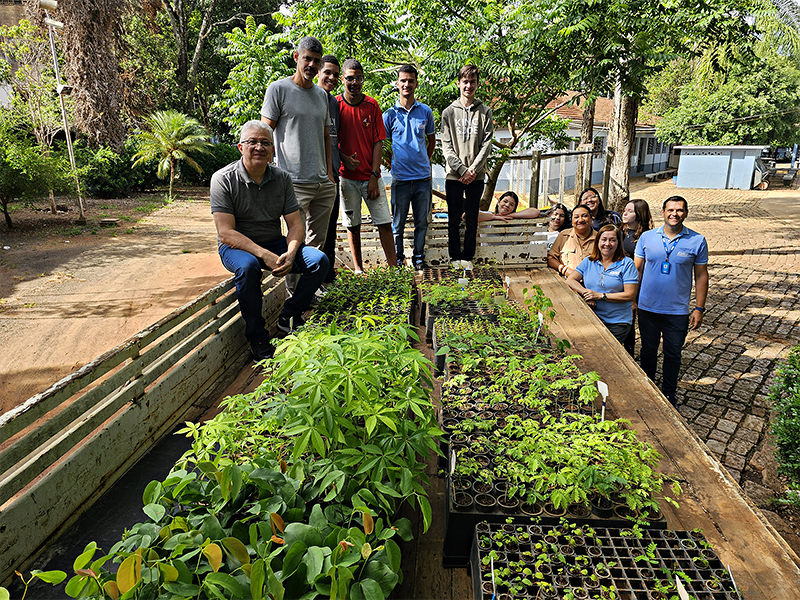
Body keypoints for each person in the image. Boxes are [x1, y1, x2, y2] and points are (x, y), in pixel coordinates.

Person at [210, 121, 328, 361]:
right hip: (237, 248)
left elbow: (295, 224)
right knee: (248, 267)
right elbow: (225, 233)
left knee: (319, 260)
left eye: (265, 143)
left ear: (273, 149)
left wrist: (292, 251)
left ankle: (289, 316)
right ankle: (258, 339)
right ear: (240, 147)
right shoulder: (223, 179)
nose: (259, 147)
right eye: (252, 142)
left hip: (275, 242)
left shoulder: (281, 178)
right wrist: (263, 254)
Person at [260, 36, 336, 252]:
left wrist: (329, 174)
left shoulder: (322, 95)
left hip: (322, 184)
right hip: (293, 182)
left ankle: (310, 286)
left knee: (317, 245)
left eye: (317, 61)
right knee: (295, 243)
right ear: (296, 57)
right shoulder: (278, 89)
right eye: (307, 59)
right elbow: (265, 134)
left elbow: (326, 136)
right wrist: (265, 174)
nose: (312, 65)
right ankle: (294, 288)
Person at [635, 195, 709, 406]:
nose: (674, 214)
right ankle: (648, 387)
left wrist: (699, 308)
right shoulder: (647, 238)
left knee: (673, 353)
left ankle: (669, 393)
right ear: (663, 212)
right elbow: (637, 270)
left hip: (677, 311)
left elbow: (701, 275)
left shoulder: (697, 240)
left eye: (679, 210)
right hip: (647, 307)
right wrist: (633, 300)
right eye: (670, 210)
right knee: (648, 350)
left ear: (685, 213)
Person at [337, 58, 396, 273]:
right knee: (352, 224)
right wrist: (343, 157)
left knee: (384, 222)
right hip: (346, 178)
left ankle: (394, 269)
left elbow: (378, 141)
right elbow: (330, 139)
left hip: (371, 177)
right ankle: (359, 269)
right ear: (343, 79)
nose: (354, 82)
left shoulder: (372, 105)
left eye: (358, 78)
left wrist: (373, 175)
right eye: (350, 78)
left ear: (363, 79)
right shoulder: (336, 105)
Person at [383, 64, 436, 271]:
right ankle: (398, 259)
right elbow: (384, 147)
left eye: (410, 81)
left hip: (423, 179)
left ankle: (419, 258)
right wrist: (393, 164)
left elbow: (430, 141)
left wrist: (424, 161)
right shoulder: (389, 115)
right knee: (397, 225)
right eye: (403, 80)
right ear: (397, 84)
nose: (407, 84)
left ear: (416, 83)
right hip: (400, 180)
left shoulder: (425, 112)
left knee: (421, 223)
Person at [441, 64, 494, 270]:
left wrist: (473, 169)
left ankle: (468, 258)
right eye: (465, 81)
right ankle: (455, 258)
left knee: (472, 219)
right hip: (454, 176)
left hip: (477, 176)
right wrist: (462, 170)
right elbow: (447, 146)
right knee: (453, 219)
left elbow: (487, 144)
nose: (468, 86)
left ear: (477, 84)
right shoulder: (448, 113)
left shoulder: (485, 111)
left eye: (472, 82)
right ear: (458, 83)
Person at [567, 225, 638, 344]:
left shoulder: (627, 264)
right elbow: (571, 280)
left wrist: (600, 296)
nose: (607, 244)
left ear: (618, 243)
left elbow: (629, 295)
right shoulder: (589, 261)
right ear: (598, 241)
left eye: (612, 240)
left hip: (617, 321)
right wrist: (586, 294)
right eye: (604, 239)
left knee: (607, 351)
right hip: (592, 317)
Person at [318, 55, 341, 285]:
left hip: (333, 177)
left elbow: (334, 141)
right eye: (327, 73)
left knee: (331, 230)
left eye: (335, 74)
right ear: (318, 73)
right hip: (313, 179)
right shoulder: (309, 98)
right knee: (312, 234)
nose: (331, 78)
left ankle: (328, 276)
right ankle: (311, 281)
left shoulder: (334, 103)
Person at [621, 199, 653, 356]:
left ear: (639, 215)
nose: (625, 213)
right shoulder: (622, 231)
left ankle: (630, 352)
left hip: (637, 283)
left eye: (630, 211)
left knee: (631, 319)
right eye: (625, 210)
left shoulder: (645, 237)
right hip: (620, 281)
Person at [547, 204, 597, 277]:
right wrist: (565, 270)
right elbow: (550, 258)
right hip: (566, 283)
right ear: (572, 220)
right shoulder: (564, 235)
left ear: (591, 218)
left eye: (584, 216)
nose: (580, 220)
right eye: (576, 217)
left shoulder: (600, 238)